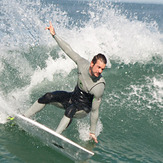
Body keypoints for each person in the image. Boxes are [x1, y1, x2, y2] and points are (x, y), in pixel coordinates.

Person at [24, 21, 107, 143]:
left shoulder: (99, 86)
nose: (100, 71)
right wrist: (54, 35)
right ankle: (24, 117)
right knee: (48, 96)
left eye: (102, 69)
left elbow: (95, 111)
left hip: (83, 108)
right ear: (92, 64)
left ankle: (55, 136)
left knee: (71, 109)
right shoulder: (81, 63)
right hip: (73, 98)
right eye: (98, 67)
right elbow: (68, 50)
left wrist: (92, 131)